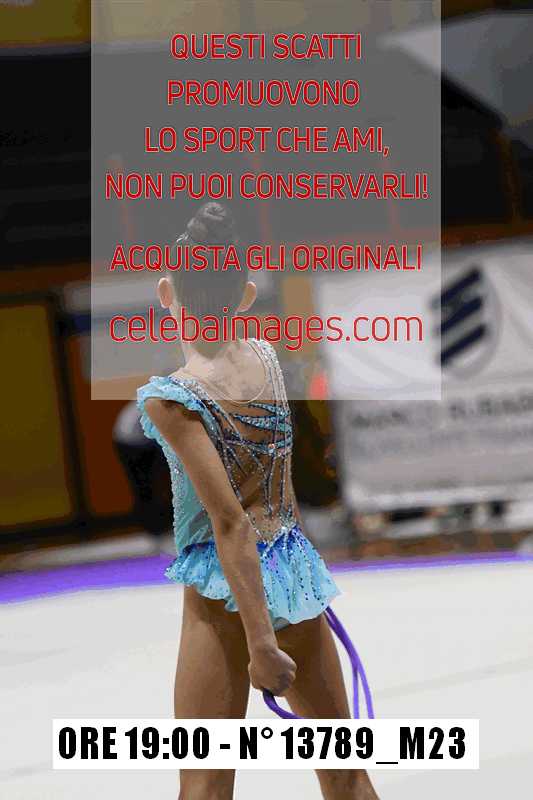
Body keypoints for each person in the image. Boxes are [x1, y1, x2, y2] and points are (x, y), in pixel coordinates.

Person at [137, 202, 379, 800]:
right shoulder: (268, 359)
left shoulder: (173, 399)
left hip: (227, 593)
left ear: (166, 293)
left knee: (204, 781)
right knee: (345, 772)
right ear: (246, 296)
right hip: (294, 573)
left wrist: (261, 642)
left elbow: (230, 522)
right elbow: (279, 496)